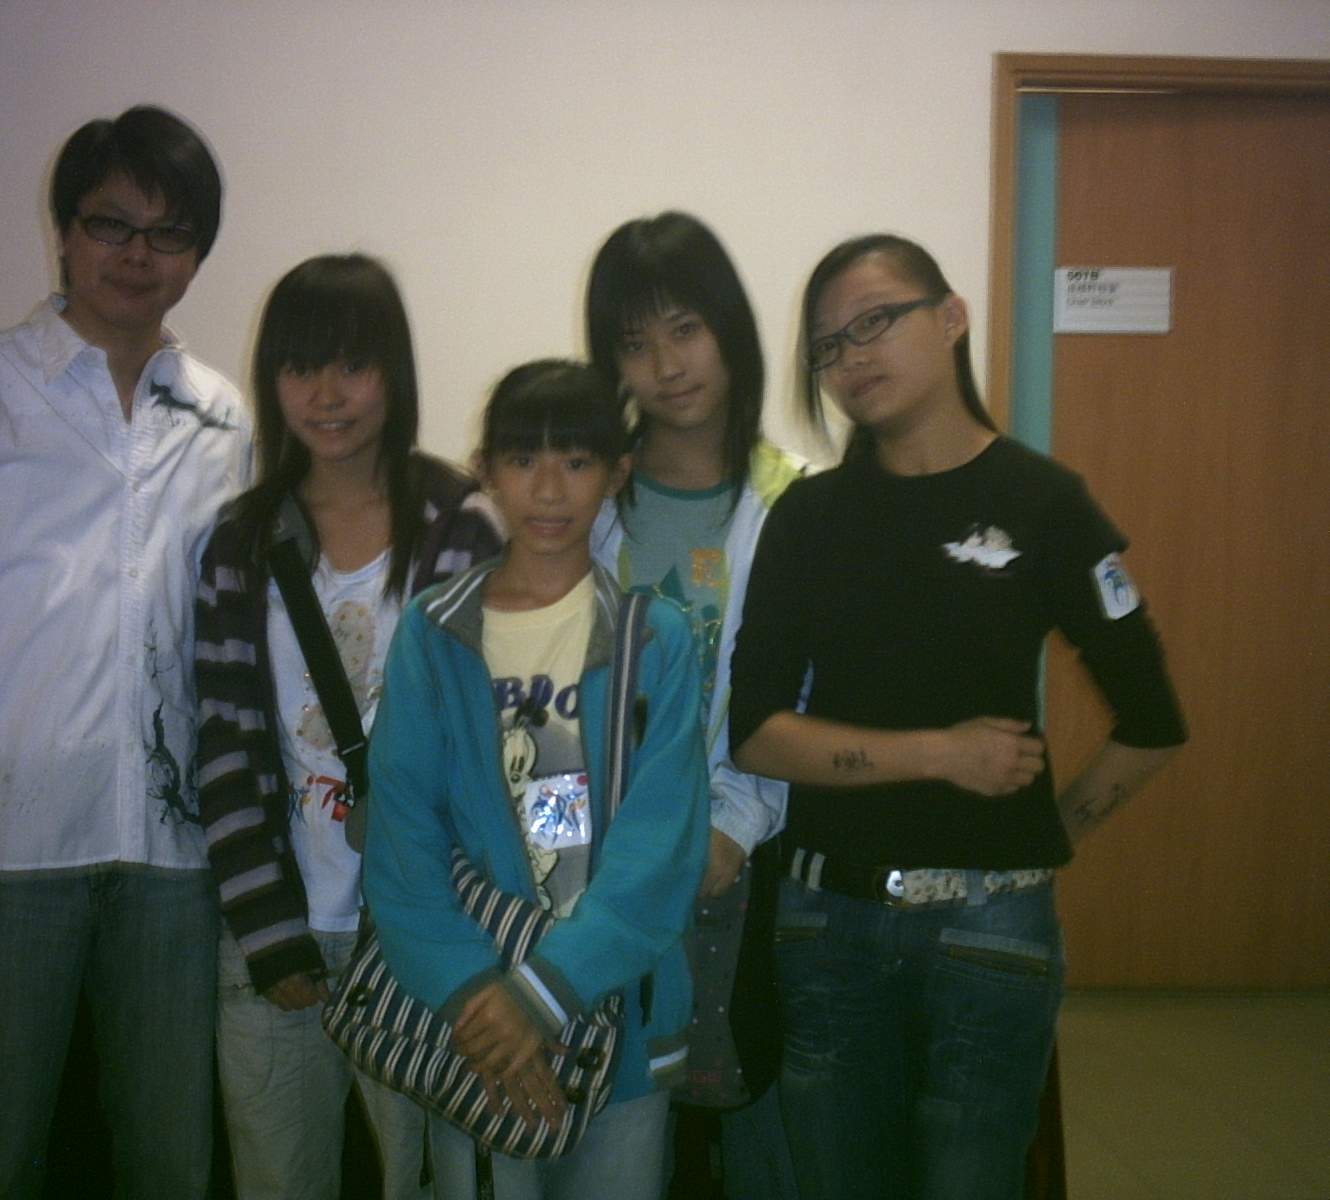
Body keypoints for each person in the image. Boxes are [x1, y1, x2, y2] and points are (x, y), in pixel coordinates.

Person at [730, 233, 1187, 1199]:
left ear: (950, 318)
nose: (851, 357)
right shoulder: (808, 517)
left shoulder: (1044, 501)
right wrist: (940, 754)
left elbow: (1152, 719)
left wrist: (1043, 841)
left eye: (874, 321)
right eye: (828, 344)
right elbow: (758, 732)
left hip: (992, 933)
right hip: (826, 928)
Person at [0, 106, 248, 1199]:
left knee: (170, 1165)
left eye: (169, 232)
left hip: (173, 855)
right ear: (64, 233)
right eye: (110, 222)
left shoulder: (224, 419)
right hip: (1, 850)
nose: (136, 253)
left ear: (198, 254)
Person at [193, 254, 503, 1200]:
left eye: (352, 365)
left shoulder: (459, 526)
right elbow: (225, 744)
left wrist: (442, 926)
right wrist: (268, 932)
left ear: (393, 373)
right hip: (280, 936)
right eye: (300, 367)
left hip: (420, 936)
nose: (326, 395)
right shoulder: (242, 541)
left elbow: (488, 752)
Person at [362, 360, 710, 1200]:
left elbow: (660, 849)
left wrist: (546, 994)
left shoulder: (654, 638)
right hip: (475, 1024)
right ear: (485, 469)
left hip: (616, 1019)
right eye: (523, 460)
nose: (549, 490)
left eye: (576, 462)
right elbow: (403, 836)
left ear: (617, 472)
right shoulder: (434, 632)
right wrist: (481, 997)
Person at [585, 212, 803, 1199]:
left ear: (729, 329)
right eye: (635, 342)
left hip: (739, 872)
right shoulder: (585, 500)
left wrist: (734, 825)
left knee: (745, 1135)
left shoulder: (793, 501)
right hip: (598, 876)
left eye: (686, 329)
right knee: (615, 1141)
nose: (666, 366)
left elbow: (800, 693)